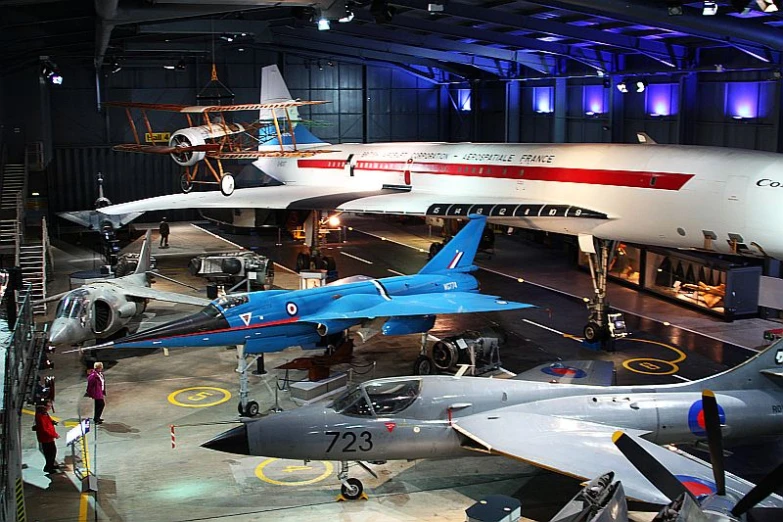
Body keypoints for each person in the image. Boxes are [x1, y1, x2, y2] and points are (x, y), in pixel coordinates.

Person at [33, 399, 60, 473]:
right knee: (50, 453)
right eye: (49, 406)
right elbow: (45, 429)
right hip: (46, 438)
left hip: (49, 438)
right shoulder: (41, 416)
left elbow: (48, 420)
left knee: (52, 452)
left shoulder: (44, 414)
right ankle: (48, 467)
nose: (50, 408)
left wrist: (52, 422)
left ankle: (51, 465)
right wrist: (55, 435)